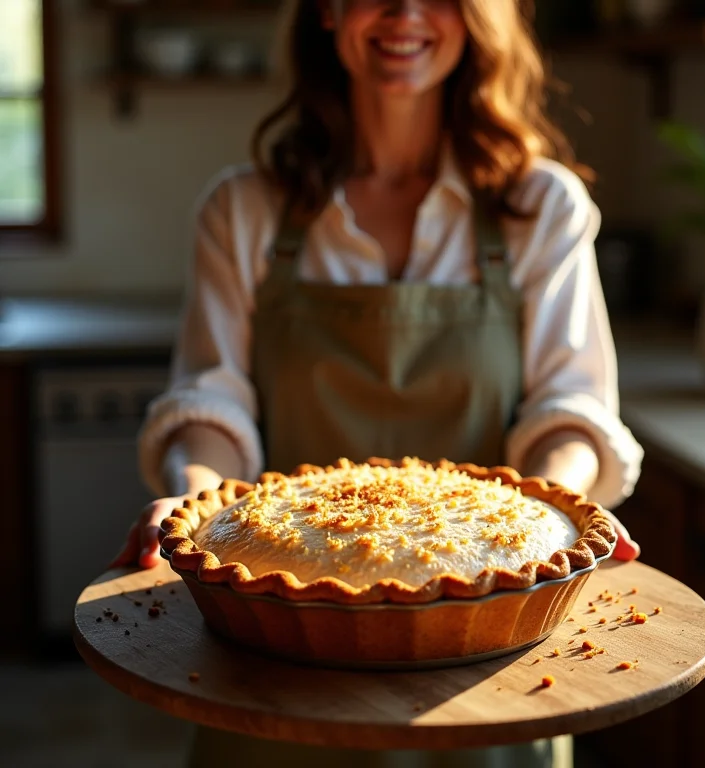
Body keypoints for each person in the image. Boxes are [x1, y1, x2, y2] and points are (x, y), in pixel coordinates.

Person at [113, 0, 644, 765]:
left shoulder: (539, 207)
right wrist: (190, 495)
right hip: (281, 662)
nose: (404, 12)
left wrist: (560, 510)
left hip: (485, 667)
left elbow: (569, 409)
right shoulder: (245, 210)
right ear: (327, 11)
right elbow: (213, 401)